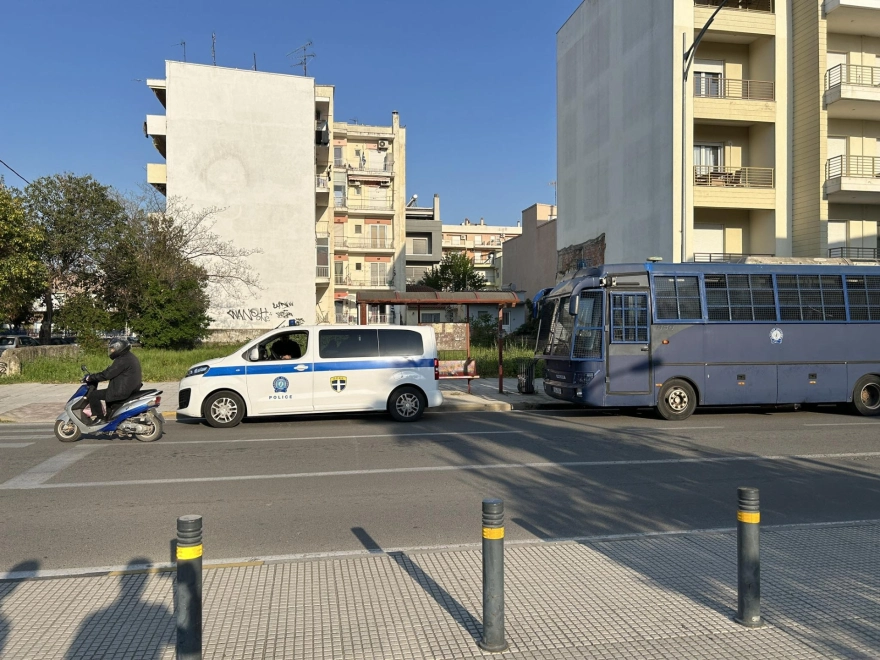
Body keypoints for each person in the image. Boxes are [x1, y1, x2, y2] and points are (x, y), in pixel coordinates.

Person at [85, 337, 143, 424]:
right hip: (129, 389)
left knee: (94, 395)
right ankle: (109, 419)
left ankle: (100, 418)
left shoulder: (122, 360)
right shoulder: (129, 357)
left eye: (112, 349)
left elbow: (107, 374)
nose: (111, 351)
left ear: (118, 347)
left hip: (122, 391)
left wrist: (91, 377)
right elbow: (111, 372)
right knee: (108, 400)